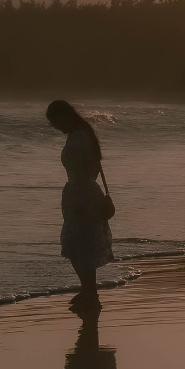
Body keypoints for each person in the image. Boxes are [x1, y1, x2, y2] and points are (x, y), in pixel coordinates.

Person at [46, 99, 114, 312]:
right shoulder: (81, 134)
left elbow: (88, 168)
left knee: (78, 245)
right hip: (80, 192)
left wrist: (81, 198)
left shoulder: (80, 137)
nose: (55, 127)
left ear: (64, 116)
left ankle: (90, 294)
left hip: (81, 195)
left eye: (55, 122)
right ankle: (88, 292)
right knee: (78, 245)